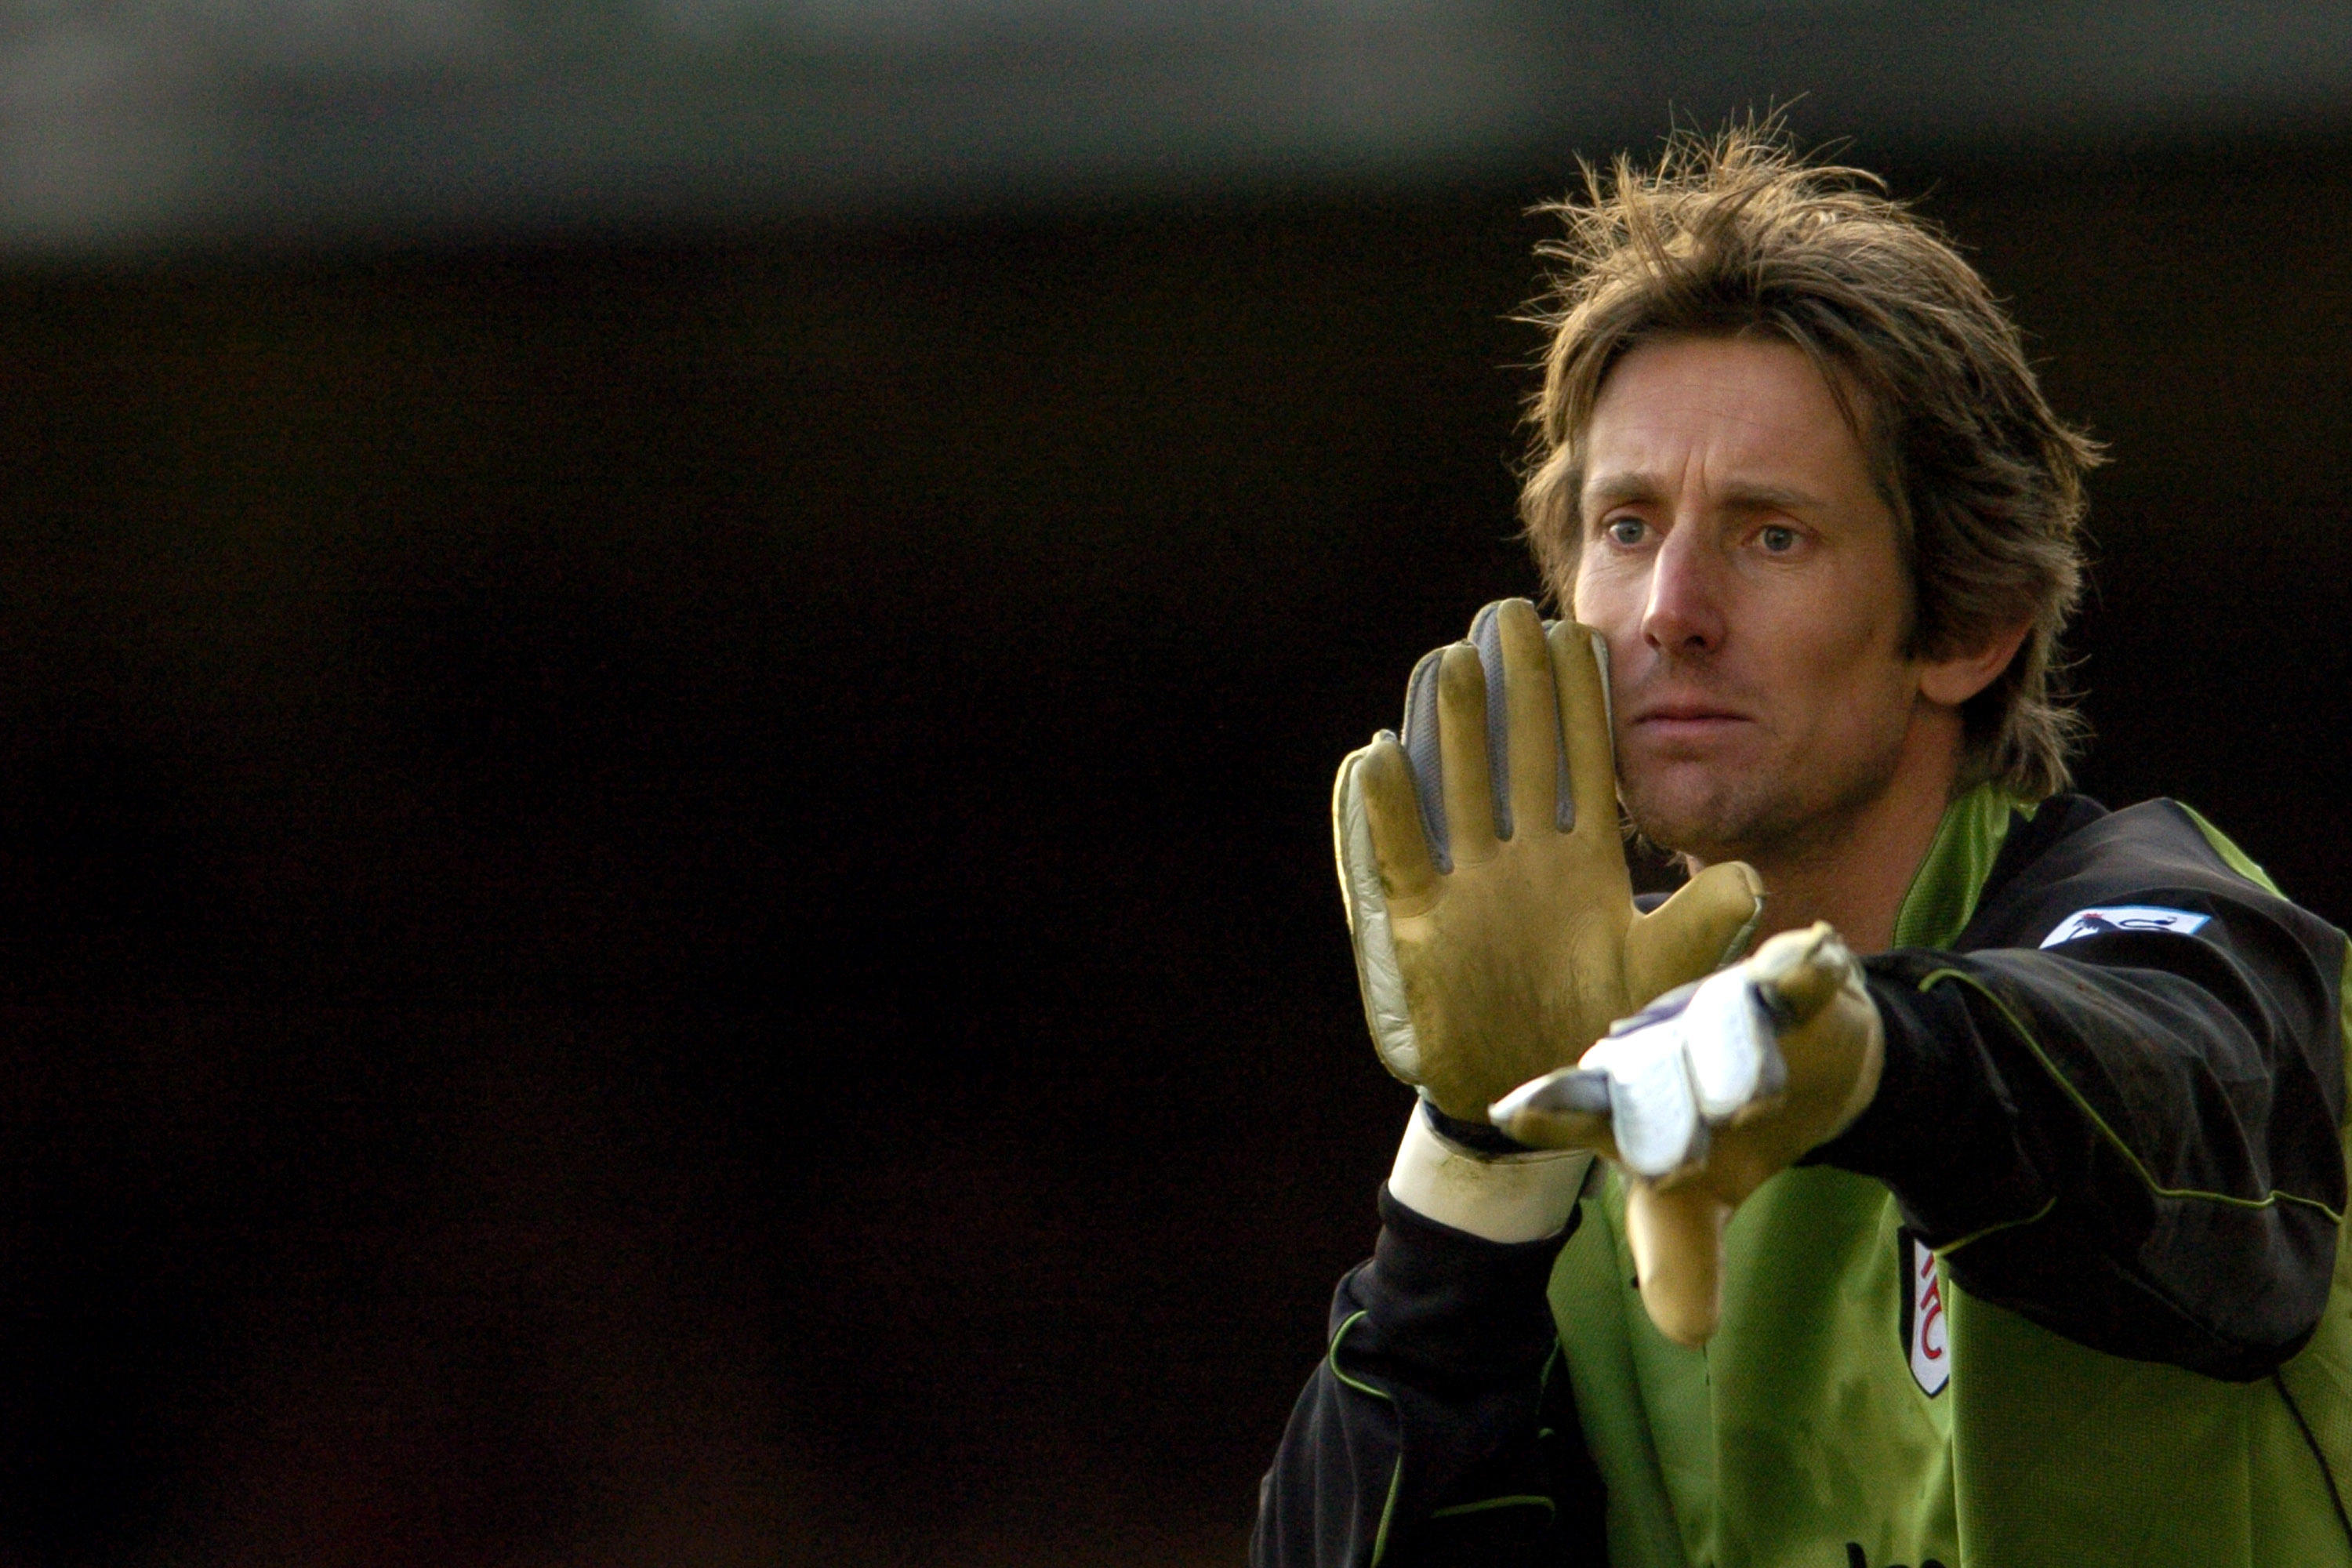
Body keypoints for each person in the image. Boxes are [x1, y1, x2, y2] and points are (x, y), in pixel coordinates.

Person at [1254, 125, 2352, 1568]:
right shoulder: (1590, 1096)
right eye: (1628, 527)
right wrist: (1471, 1166)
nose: (1673, 609)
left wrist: (1875, 1061)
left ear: (1968, 626)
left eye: (1772, 536)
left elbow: (2197, 1123)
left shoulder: (2152, 925)